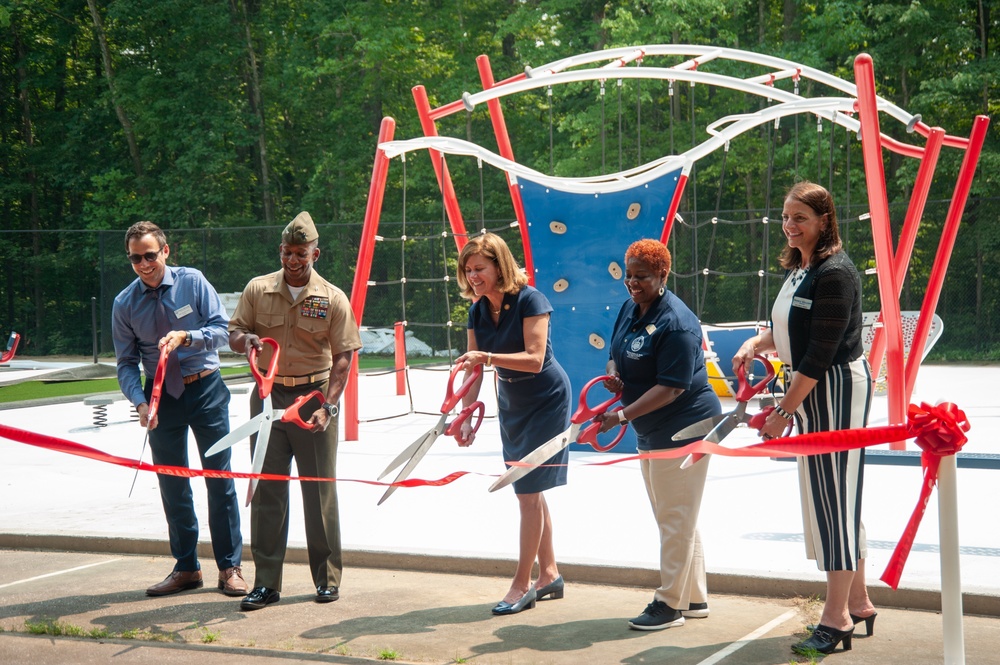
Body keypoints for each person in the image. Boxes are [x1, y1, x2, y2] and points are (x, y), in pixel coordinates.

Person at [733, 181, 876, 656]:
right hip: (813, 386)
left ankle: (836, 620)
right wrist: (757, 343)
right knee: (834, 497)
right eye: (786, 217)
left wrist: (782, 410)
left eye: (801, 218)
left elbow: (819, 353)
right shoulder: (802, 266)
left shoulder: (835, 272)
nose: (790, 226)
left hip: (832, 386)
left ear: (824, 221)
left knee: (835, 499)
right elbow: (790, 332)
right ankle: (858, 601)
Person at [228, 211, 361, 611]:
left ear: (315, 253)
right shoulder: (258, 288)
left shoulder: (332, 297)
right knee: (267, 489)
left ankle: (327, 579)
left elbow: (343, 358)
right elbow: (234, 332)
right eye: (287, 252)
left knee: (318, 490)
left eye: (300, 253)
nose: (292, 260)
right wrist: (246, 340)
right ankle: (266, 583)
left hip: (313, 398)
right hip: (268, 397)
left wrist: (330, 407)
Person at [112, 221, 246, 598]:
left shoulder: (193, 282)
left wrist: (189, 336)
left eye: (150, 255)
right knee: (173, 485)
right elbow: (125, 362)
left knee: (219, 479)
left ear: (165, 251)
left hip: (204, 389)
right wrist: (140, 403)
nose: (143, 263)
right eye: (136, 258)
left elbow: (224, 330)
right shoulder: (124, 303)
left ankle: (229, 567)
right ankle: (187, 568)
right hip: (161, 400)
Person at [593, 238, 722, 631]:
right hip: (652, 427)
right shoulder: (632, 308)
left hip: (686, 426)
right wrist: (616, 372)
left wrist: (622, 415)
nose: (633, 283)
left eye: (642, 276)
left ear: (663, 274)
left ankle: (668, 604)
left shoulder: (678, 323)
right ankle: (694, 597)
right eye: (628, 275)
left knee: (674, 516)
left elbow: (672, 388)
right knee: (676, 516)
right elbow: (617, 350)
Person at [454, 233, 572, 616]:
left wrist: (487, 356)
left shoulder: (531, 299)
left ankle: (523, 584)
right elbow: (474, 368)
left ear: (499, 266)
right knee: (531, 491)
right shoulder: (476, 310)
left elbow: (535, 358)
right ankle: (550, 574)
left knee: (525, 492)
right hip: (511, 401)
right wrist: (468, 414)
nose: (473, 276)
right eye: (468, 270)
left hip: (546, 399)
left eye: (479, 268)